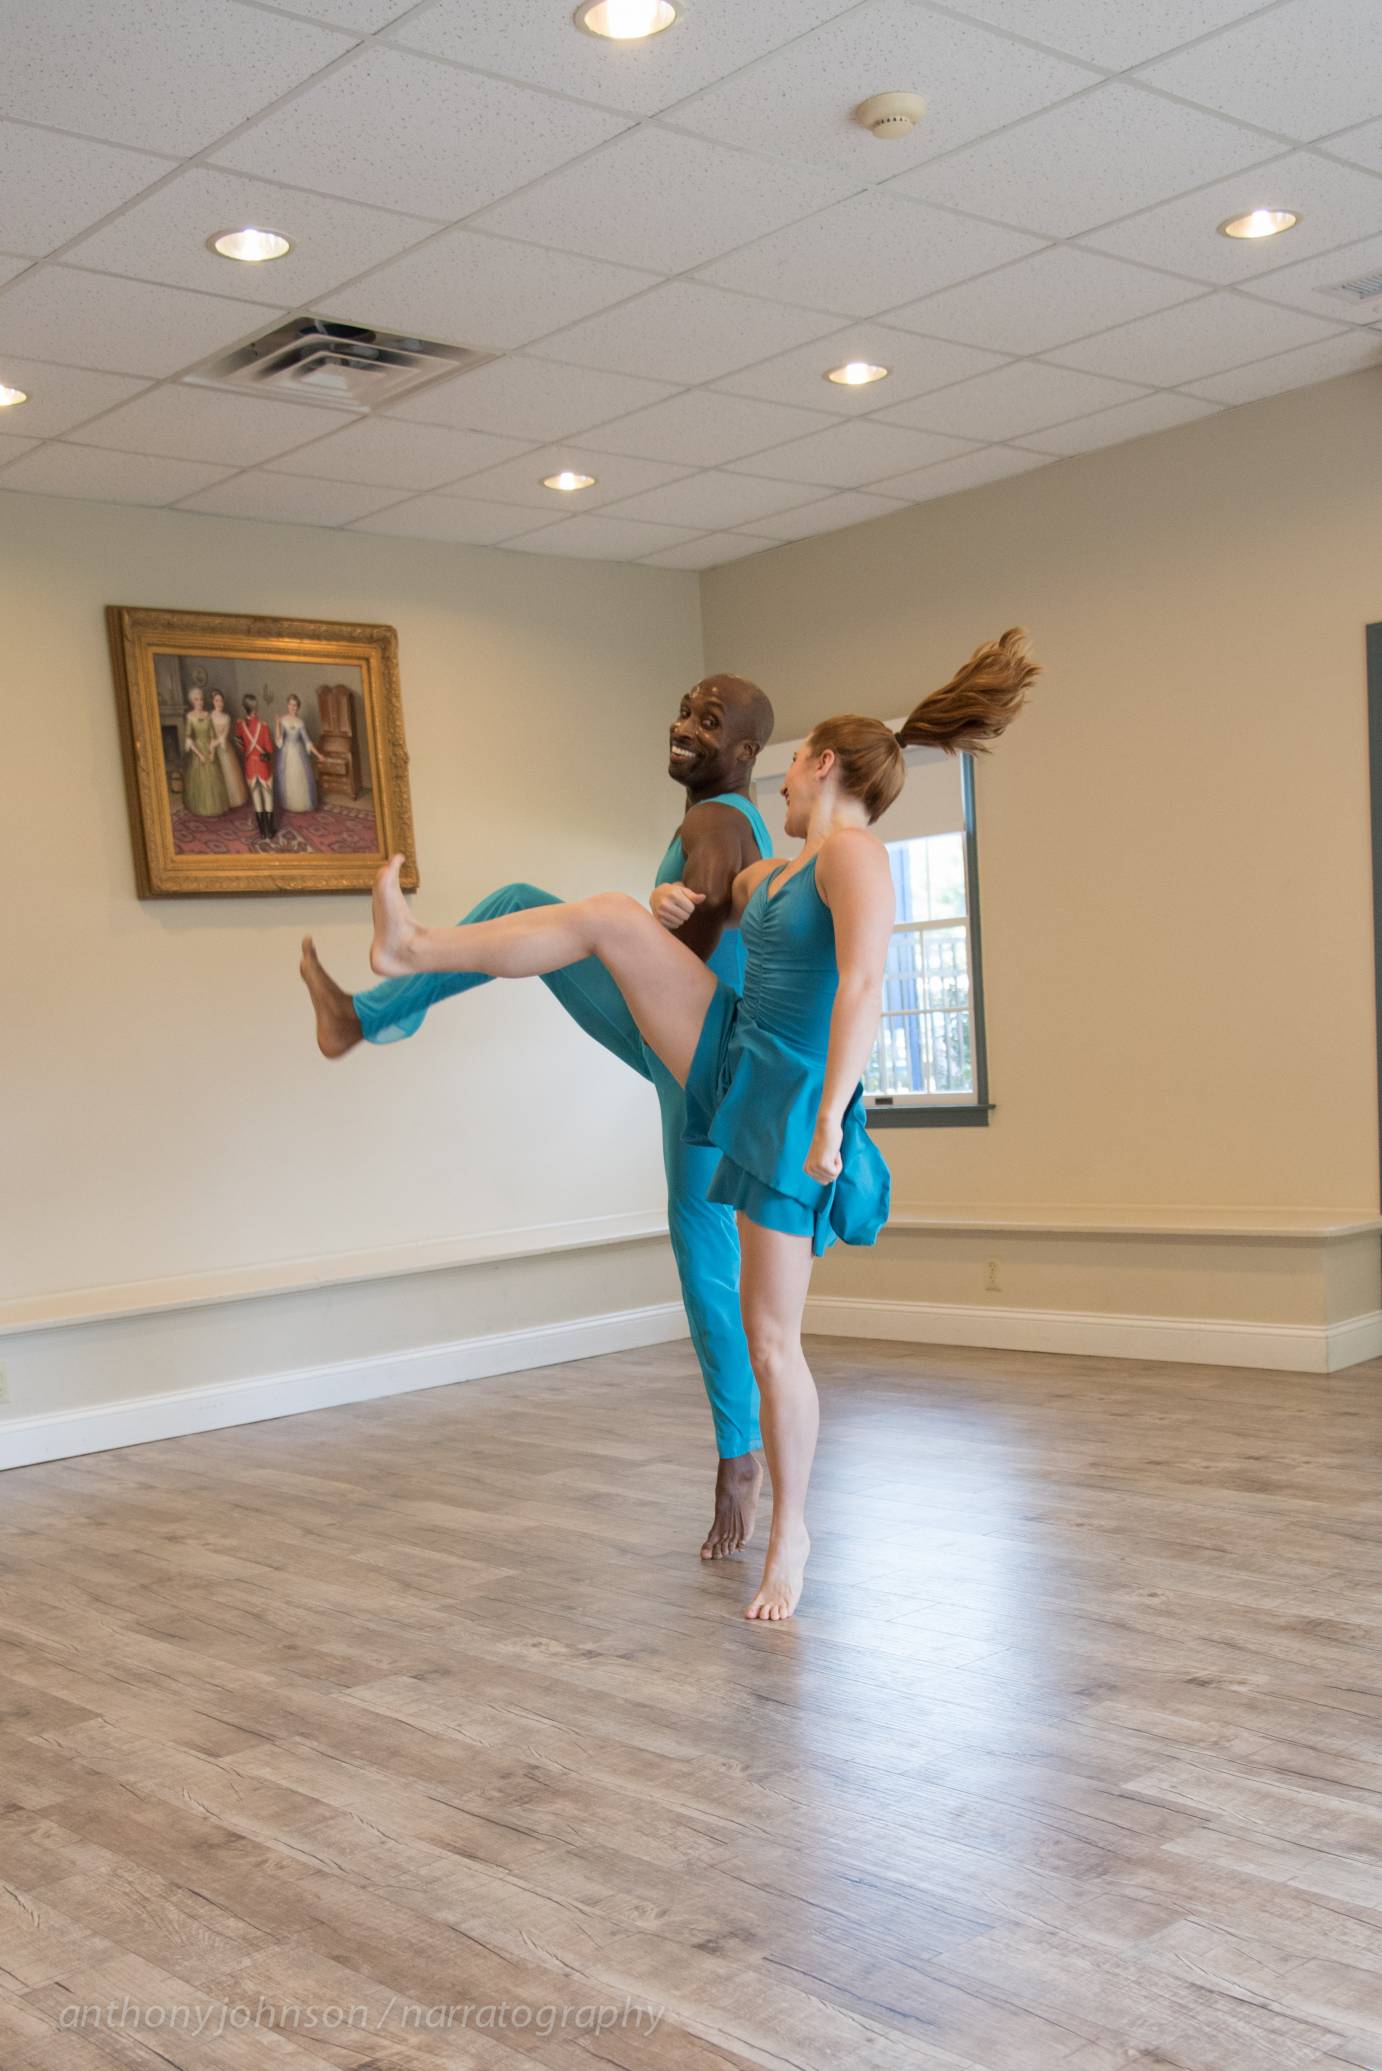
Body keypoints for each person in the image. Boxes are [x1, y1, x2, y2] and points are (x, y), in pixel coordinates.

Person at [358, 630, 1038, 1621]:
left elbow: (859, 987)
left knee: (771, 1340)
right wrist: (673, 903)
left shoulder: (854, 857)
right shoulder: (786, 871)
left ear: (819, 765)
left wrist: (831, 1127)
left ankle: (793, 1530)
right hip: (733, 1050)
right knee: (605, 916)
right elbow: (727, 904)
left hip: (791, 1105)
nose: (776, 791)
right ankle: (412, 948)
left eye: (787, 771)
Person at [300, 676, 779, 1561]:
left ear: (745, 755)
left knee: (704, 1251)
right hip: (678, 1047)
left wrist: (680, 919)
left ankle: (739, 1454)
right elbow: (702, 928)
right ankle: (371, 1012)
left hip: (701, 1066)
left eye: (707, 722)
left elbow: (702, 933)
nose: (682, 727)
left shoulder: (716, 820)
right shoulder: (719, 822)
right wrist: (679, 920)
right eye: (681, 708)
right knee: (525, 899)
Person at [182, 685, 228, 818]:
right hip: (198, 750)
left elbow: (213, 735)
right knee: (201, 779)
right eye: (196, 700)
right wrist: (200, 754)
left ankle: (214, 808)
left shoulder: (208, 715)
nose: (200, 702)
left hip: (209, 748)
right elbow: (188, 738)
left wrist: (212, 752)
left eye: (201, 699)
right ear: (192, 701)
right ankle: (202, 808)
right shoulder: (190, 716)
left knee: (213, 778)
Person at [236, 693, 276, 840]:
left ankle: (262, 832)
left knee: (256, 798)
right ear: (255, 707)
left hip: (249, 765)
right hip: (262, 765)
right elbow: (269, 749)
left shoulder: (239, 725)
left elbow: (240, 747)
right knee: (268, 797)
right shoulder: (263, 726)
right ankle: (270, 832)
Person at [275, 693, 322, 815]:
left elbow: (307, 741)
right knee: (289, 778)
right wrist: (277, 724)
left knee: (300, 778)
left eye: (295, 705)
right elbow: (279, 742)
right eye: (291, 705)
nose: (292, 707)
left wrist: (318, 755)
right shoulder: (283, 720)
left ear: (298, 707)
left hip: (298, 753)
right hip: (286, 754)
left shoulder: (300, 722)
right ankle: (289, 803)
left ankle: (300, 804)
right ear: (287, 705)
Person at [209, 689, 248, 812]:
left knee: (229, 774)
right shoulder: (209, 716)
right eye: (217, 700)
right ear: (212, 702)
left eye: (221, 700)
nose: (219, 703)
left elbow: (224, 735)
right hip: (211, 746)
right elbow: (208, 734)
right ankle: (218, 802)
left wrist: (216, 743)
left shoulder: (226, 717)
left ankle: (231, 801)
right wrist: (211, 746)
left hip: (224, 746)